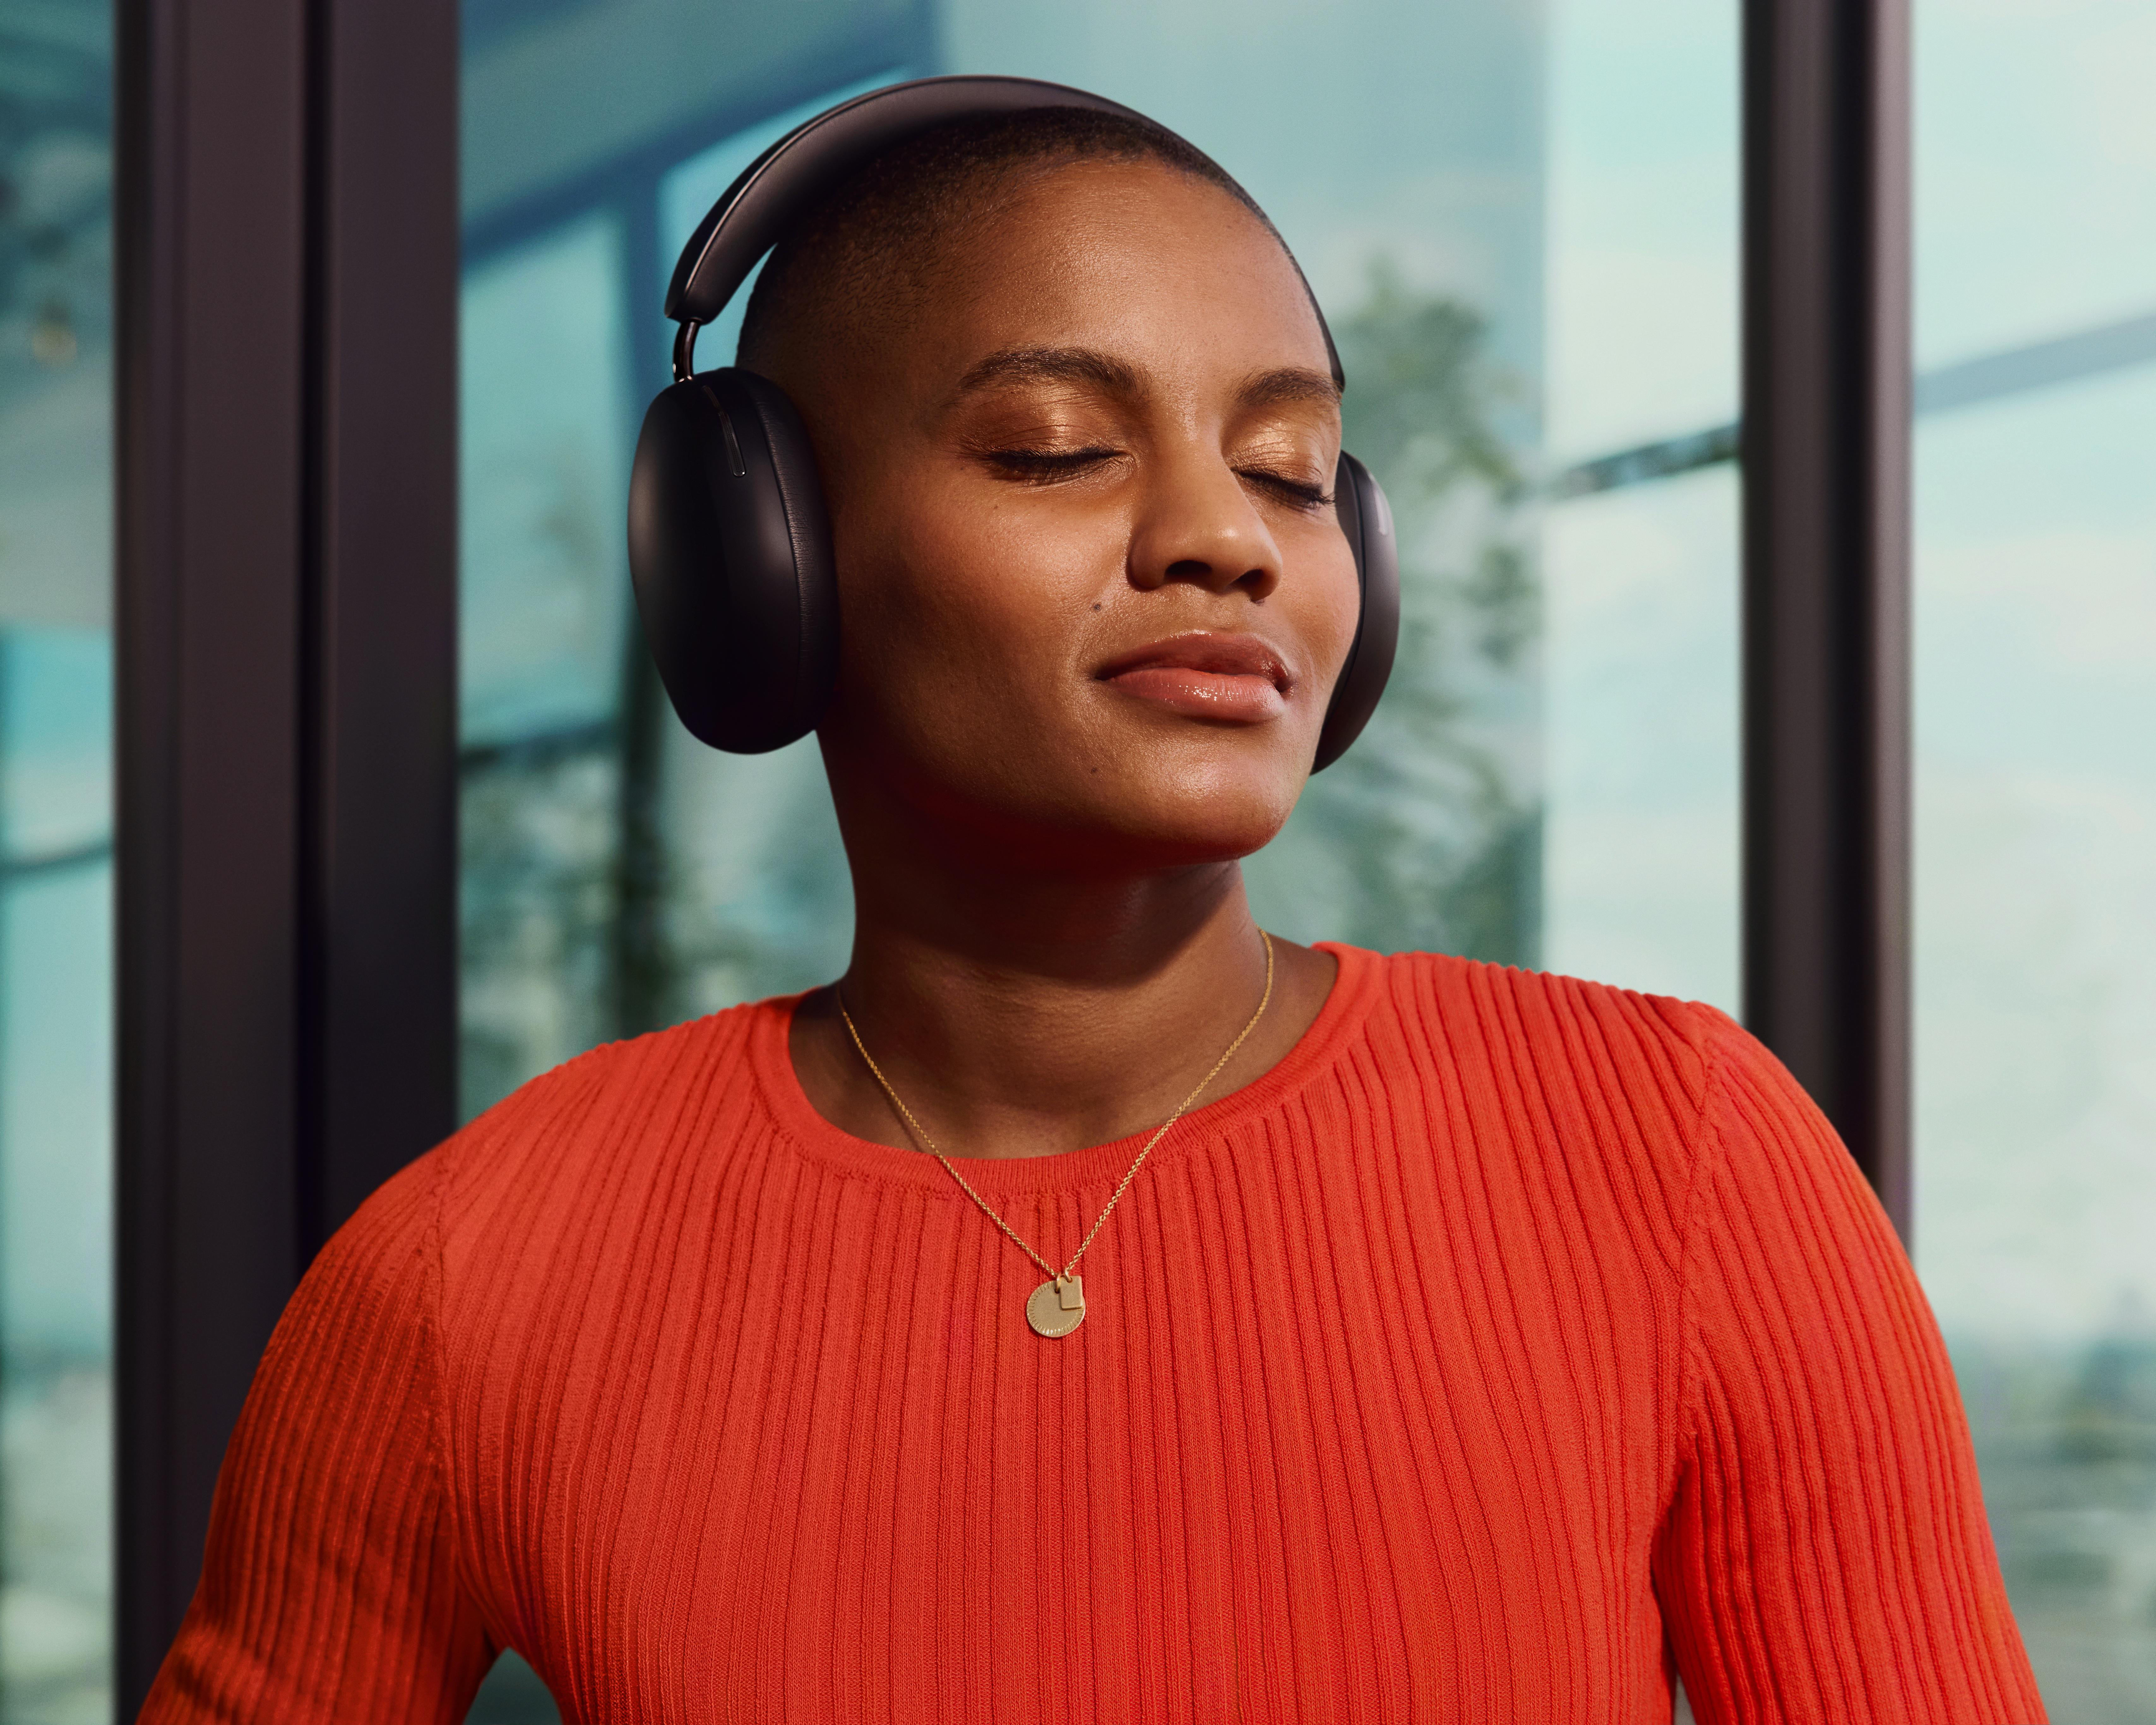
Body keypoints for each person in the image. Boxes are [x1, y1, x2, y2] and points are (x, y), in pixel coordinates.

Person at [142, 101, 2043, 1723]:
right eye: (1056, 443)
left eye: (1288, 468)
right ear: (761, 553)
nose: (1226, 533)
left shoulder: (1677, 1149)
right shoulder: (467, 1267)